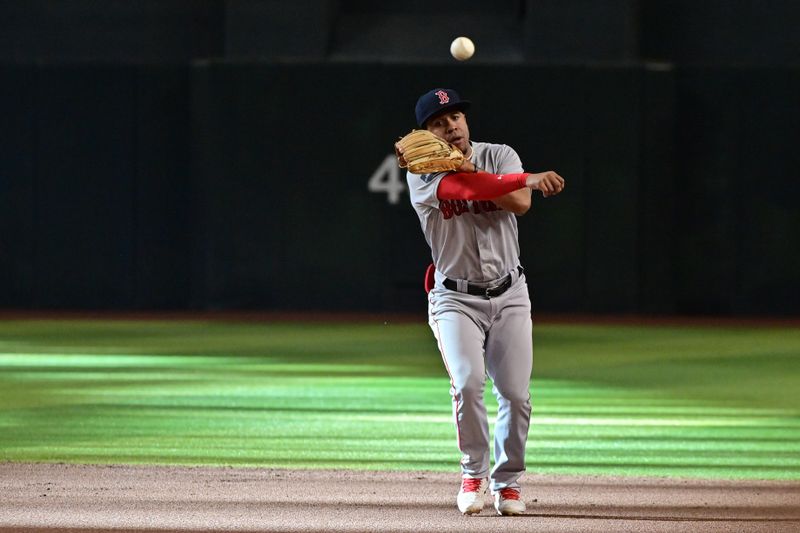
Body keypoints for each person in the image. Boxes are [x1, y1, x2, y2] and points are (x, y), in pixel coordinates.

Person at [396, 88, 565, 516]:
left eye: (456, 117)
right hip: (455, 298)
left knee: (515, 392)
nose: (451, 125)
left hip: (510, 293)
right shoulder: (422, 171)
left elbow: (521, 204)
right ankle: (473, 472)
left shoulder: (500, 154)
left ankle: (507, 484)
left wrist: (511, 180)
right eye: (439, 121)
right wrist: (525, 177)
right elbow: (465, 188)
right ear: (425, 133)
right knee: (468, 383)